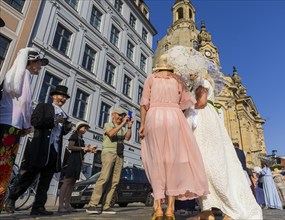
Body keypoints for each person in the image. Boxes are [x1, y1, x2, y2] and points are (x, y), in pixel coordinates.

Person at [139, 55, 209, 220]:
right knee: (173, 162)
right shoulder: (177, 79)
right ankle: (170, 209)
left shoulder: (151, 78)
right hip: (174, 117)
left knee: (156, 161)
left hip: (154, 117)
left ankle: (157, 208)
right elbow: (187, 103)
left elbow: (144, 104)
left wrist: (142, 124)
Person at [185, 76, 262, 220]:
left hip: (202, 121)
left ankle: (228, 211)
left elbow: (200, 102)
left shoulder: (201, 81)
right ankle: (207, 211)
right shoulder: (203, 82)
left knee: (206, 166)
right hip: (208, 122)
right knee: (204, 166)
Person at [4, 85, 72, 216]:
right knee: (28, 177)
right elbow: (35, 121)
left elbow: (61, 132)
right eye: (60, 96)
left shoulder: (64, 114)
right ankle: (11, 200)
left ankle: (38, 206)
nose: (63, 99)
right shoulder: (44, 106)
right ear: (53, 96)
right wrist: (53, 121)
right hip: (40, 148)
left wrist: (67, 127)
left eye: (64, 97)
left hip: (54, 150)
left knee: (45, 181)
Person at [0, 48, 48, 210]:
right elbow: (25, 102)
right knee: (4, 167)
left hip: (3, 122)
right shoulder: (25, 74)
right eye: (39, 63)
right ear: (31, 62)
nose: (40, 67)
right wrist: (28, 125)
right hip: (14, 125)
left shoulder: (10, 74)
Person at [86, 107, 133, 214]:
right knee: (104, 177)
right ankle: (92, 204)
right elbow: (111, 134)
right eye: (119, 115)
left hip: (120, 154)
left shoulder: (123, 128)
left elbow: (127, 138)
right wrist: (122, 124)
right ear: (113, 115)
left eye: (123, 115)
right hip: (109, 152)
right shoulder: (108, 124)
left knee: (115, 181)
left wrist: (129, 127)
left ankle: (106, 206)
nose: (121, 117)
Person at [58, 121, 96, 213]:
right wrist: (83, 148)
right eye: (84, 128)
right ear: (79, 128)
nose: (85, 129)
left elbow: (81, 151)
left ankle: (67, 205)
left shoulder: (81, 139)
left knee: (72, 182)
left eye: (86, 128)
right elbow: (70, 147)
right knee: (67, 181)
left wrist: (89, 150)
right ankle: (60, 206)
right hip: (73, 161)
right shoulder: (74, 136)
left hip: (78, 161)